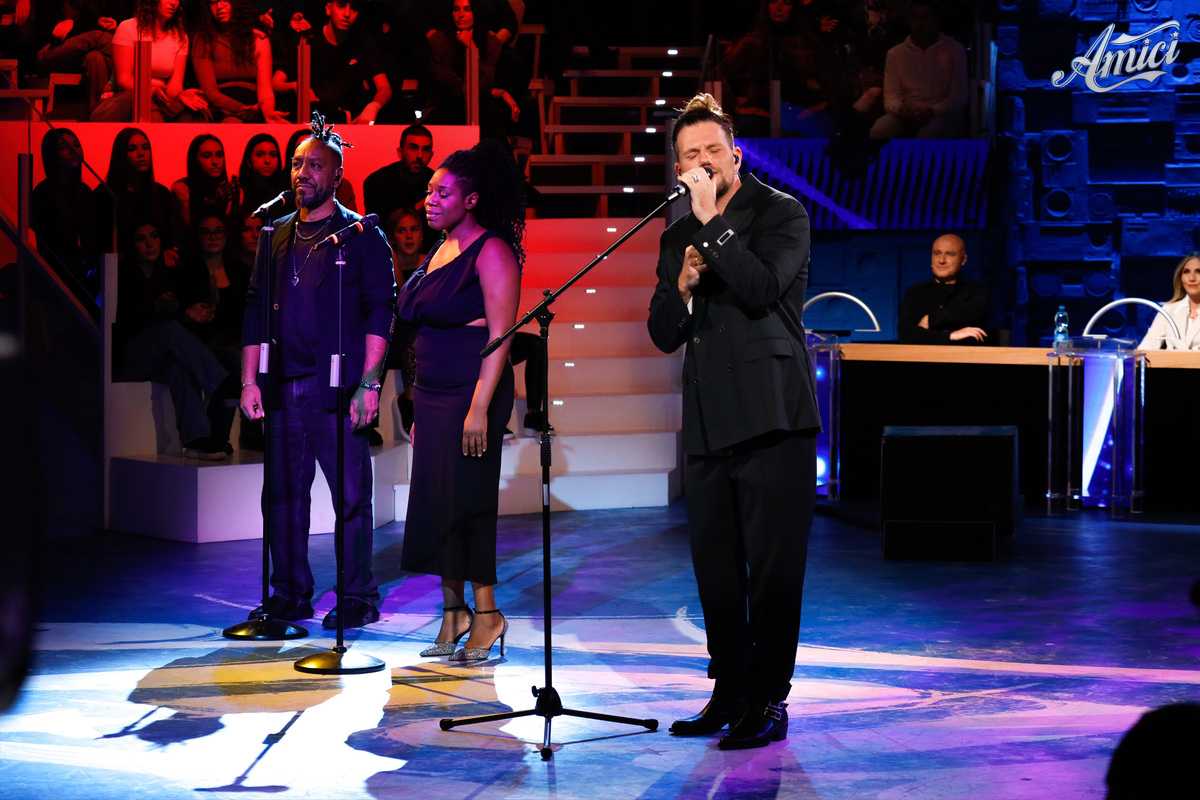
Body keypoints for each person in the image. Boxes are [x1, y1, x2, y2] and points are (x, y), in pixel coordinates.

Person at [647, 94, 820, 750]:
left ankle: (768, 696)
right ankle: (729, 690)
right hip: (708, 421)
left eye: (712, 151)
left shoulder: (781, 213)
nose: (702, 163)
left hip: (773, 414)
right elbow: (663, 331)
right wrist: (683, 285)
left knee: (773, 571)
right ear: (677, 167)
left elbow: (761, 288)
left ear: (735, 155)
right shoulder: (674, 238)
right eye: (689, 155)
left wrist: (712, 225)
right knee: (715, 569)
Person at [239, 113, 394, 630]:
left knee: (350, 496)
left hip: (337, 388)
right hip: (283, 385)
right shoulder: (275, 233)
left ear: (338, 176)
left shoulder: (360, 235)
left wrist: (369, 382)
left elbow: (380, 309)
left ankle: (357, 595)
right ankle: (289, 594)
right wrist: (250, 379)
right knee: (282, 497)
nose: (302, 172)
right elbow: (256, 306)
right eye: (297, 163)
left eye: (314, 165)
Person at [396, 138, 524, 662]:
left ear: (470, 200)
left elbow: (500, 336)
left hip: (472, 391)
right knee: (437, 501)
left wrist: (478, 407)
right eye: (429, 191)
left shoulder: (491, 250)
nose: (430, 200)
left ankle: (488, 613)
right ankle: (454, 612)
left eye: (442, 193)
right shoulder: (438, 250)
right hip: (432, 394)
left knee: (469, 499)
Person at [113, 219, 239, 459]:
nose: (150, 243)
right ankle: (221, 384)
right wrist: (155, 309)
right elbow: (122, 327)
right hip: (130, 357)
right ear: (131, 245)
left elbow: (180, 328)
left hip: (159, 358)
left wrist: (192, 314)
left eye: (154, 236)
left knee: (179, 365)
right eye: (141, 239)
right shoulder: (121, 277)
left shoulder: (168, 275)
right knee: (169, 329)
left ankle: (197, 439)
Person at [271, 0, 391, 124]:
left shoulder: (363, 42)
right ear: (329, 9)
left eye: (353, 8)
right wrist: (297, 86)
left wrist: (373, 107)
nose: (347, 14)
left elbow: (384, 88)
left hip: (348, 121)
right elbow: (275, 82)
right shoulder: (307, 39)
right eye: (341, 6)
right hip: (309, 120)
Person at [90, 0, 209, 122]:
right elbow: (123, 81)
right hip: (126, 95)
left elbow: (174, 87)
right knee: (151, 113)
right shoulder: (129, 27)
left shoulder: (180, 37)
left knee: (196, 115)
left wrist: (181, 95)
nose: (173, 3)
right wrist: (152, 90)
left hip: (160, 97)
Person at [868, 0, 967, 139]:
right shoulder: (896, 54)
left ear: (935, 19)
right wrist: (900, 109)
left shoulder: (954, 49)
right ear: (908, 19)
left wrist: (933, 111)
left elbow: (959, 96)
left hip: (940, 113)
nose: (920, 22)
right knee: (880, 131)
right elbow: (891, 96)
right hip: (906, 111)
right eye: (915, 17)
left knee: (929, 136)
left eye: (926, 17)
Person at [190, 0, 288, 123]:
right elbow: (210, 92)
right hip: (221, 106)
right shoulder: (204, 41)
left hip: (253, 103)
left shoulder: (258, 40)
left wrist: (268, 111)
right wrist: (241, 109)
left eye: (225, 0)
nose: (219, 6)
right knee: (232, 123)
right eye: (213, 2)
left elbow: (265, 89)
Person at [91, 126, 175, 256]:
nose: (141, 153)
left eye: (145, 148)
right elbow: (100, 243)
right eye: (132, 149)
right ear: (120, 155)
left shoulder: (161, 194)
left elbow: (167, 237)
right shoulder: (105, 195)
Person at [31, 128, 95, 294]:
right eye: (63, 147)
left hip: (82, 272)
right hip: (52, 273)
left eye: (76, 144)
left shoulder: (85, 192)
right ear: (52, 154)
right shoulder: (43, 193)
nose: (73, 150)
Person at [897, 233, 988, 345]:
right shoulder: (914, 292)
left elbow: (974, 312)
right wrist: (950, 336)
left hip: (963, 355)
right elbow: (906, 335)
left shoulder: (977, 289)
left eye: (950, 254)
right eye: (937, 253)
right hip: (924, 355)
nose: (941, 260)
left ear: (963, 260)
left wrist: (931, 319)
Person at [362, 123, 436, 247]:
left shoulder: (437, 182)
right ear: (400, 152)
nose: (419, 155)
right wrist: (419, 206)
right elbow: (377, 230)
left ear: (431, 154)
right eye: (413, 148)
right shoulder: (377, 182)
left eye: (425, 149)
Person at [170, 134, 237, 247]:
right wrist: (216, 206)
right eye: (207, 156)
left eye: (219, 155)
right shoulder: (183, 188)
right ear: (195, 160)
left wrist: (235, 202)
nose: (215, 162)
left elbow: (234, 234)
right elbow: (189, 231)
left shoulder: (229, 189)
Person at [1139, 253, 1200, 351]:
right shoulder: (1168, 310)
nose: (1191, 278)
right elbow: (1146, 348)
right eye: (1186, 272)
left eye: (1198, 272)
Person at [236, 132, 289, 215]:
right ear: (248, 161)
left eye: (273, 155)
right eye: (260, 155)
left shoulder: (286, 192)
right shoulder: (240, 193)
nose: (267, 160)